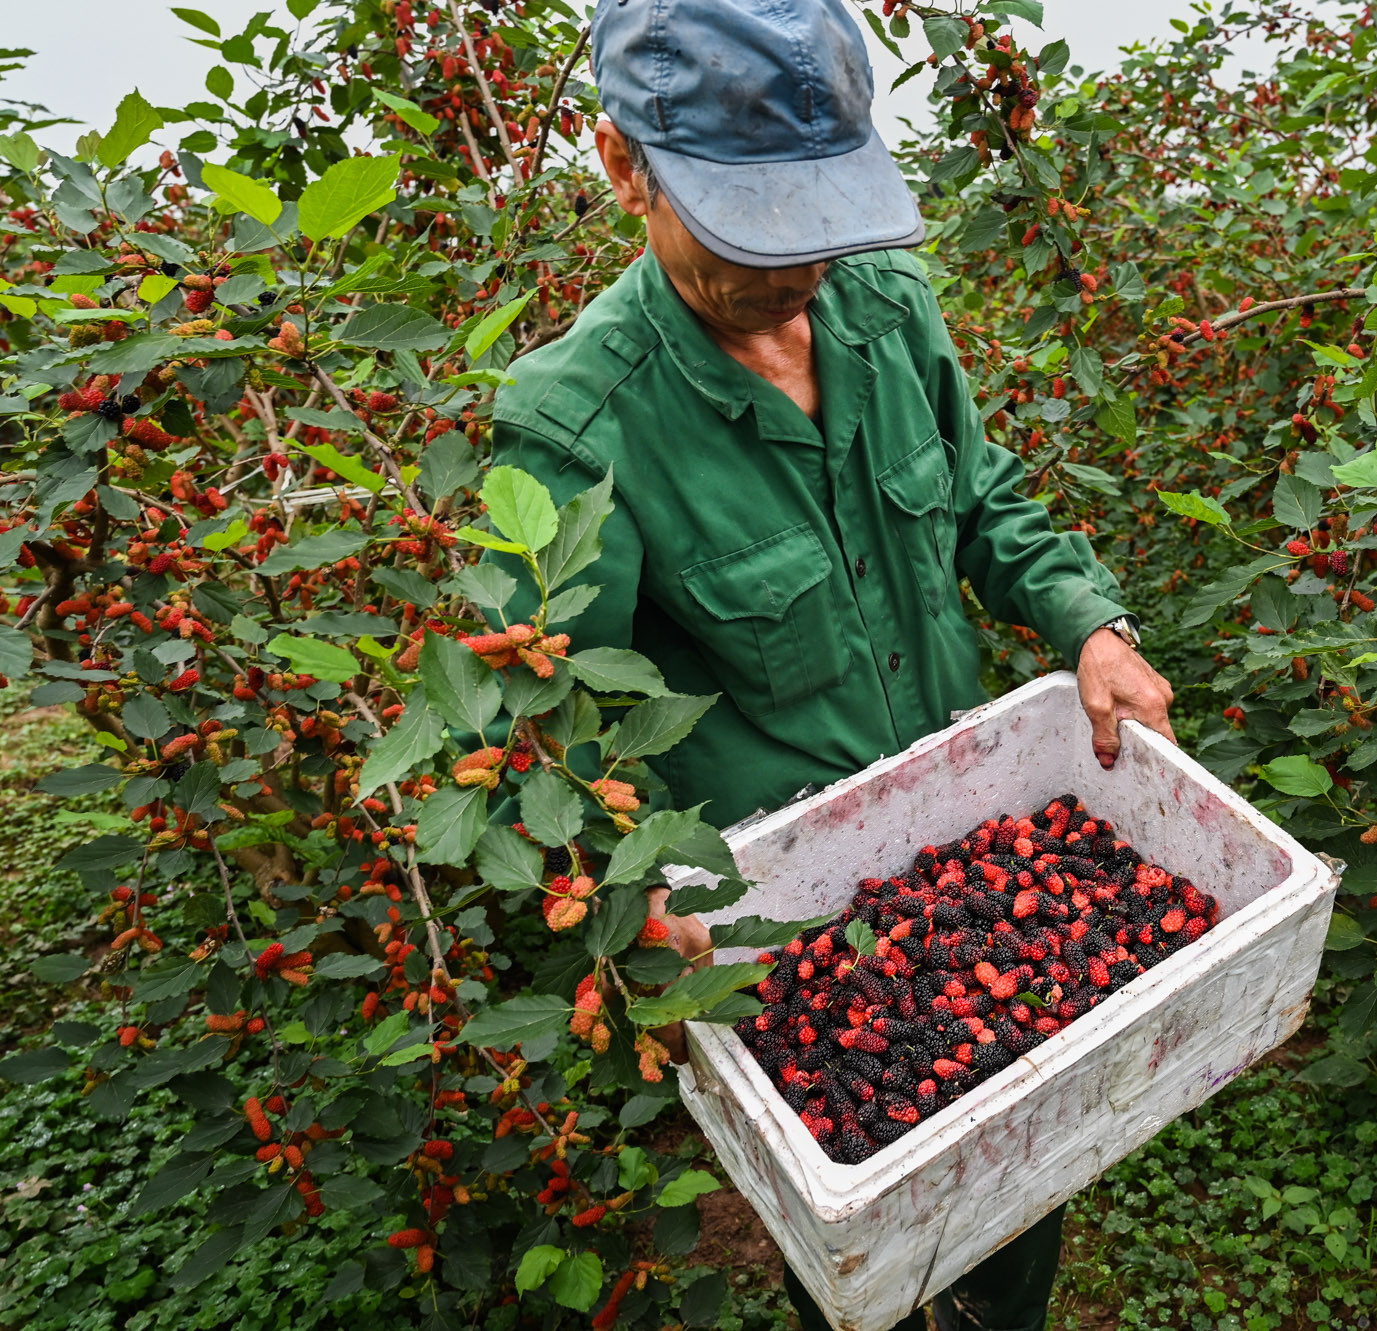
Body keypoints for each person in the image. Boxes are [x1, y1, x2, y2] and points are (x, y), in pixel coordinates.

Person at [490, 1, 1175, 1327]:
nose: (798, 266)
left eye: (819, 215)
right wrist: (631, 890)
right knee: (853, 1225)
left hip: (977, 844)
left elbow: (980, 501)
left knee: (1016, 1170)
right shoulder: (575, 426)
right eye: (753, 227)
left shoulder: (886, 303)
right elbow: (561, 722)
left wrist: (1092, 623)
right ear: (623, 166)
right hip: (786, 918)